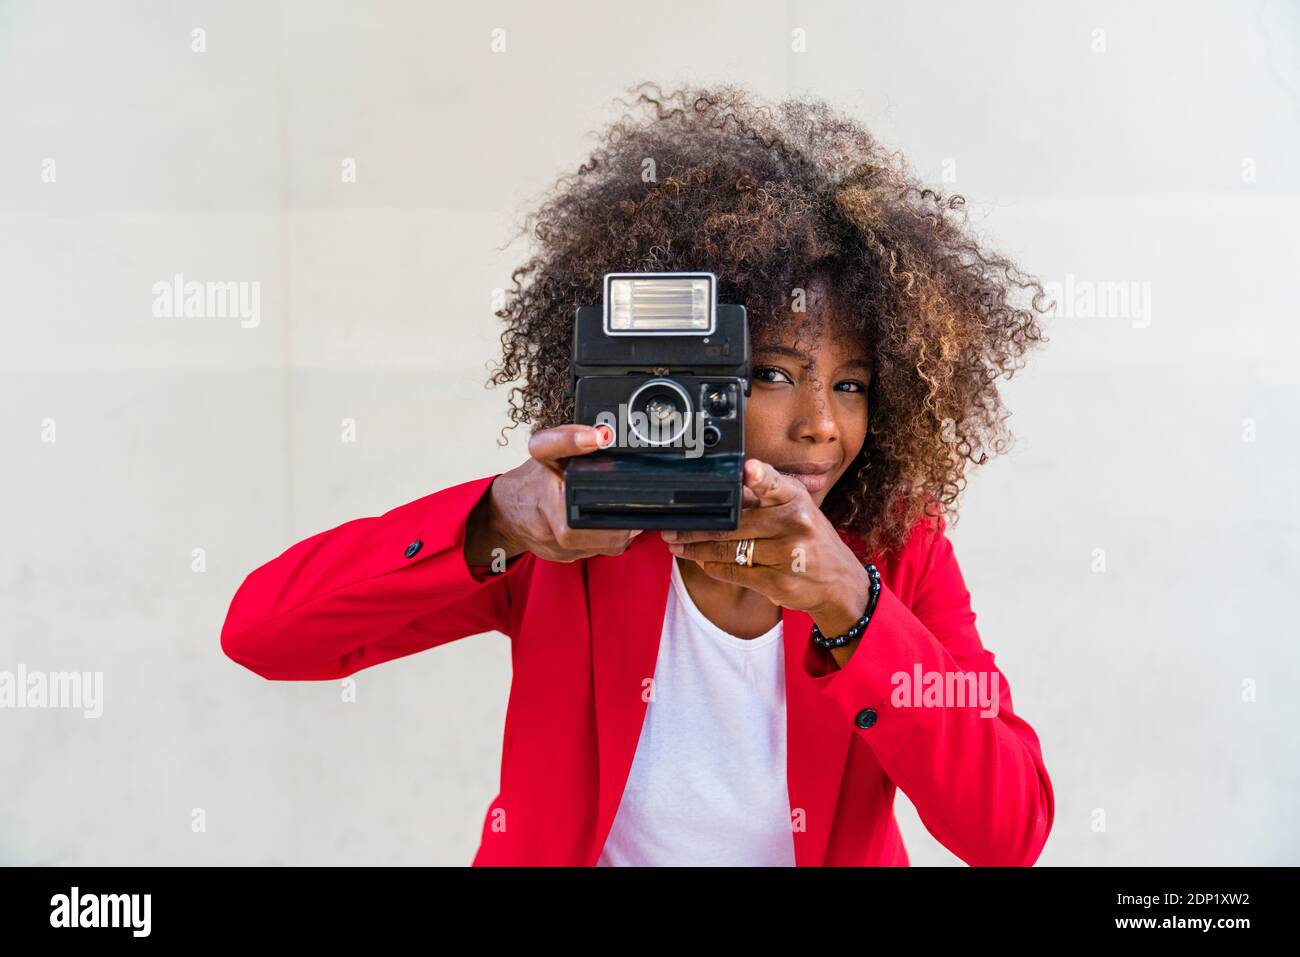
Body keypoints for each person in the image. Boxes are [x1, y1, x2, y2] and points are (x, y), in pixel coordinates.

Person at [220, 83, 1055, 866]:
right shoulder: (580, 529)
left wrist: (850, 603)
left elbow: (1008, 827)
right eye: (771, 374)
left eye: (851, 385)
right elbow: (265, 633)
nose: (821, 424)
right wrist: (493, 524)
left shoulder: (893, 551)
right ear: (684, 374)